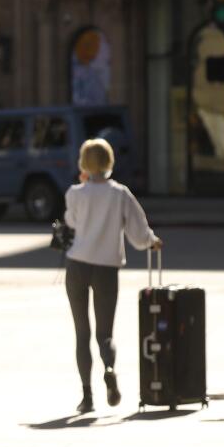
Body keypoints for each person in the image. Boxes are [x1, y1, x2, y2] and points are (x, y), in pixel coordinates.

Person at [63, 138, 161, 414]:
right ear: (109, 162)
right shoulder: (120, 194)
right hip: (107, 268)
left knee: (82, 332)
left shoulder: (75, 193)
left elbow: (70, 222)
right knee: (105, 333)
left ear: (84, 164)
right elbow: (139, 232)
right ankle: (109, 367)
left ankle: (87, 396)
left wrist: (84, 185)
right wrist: (152, 241)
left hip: (77, 265)